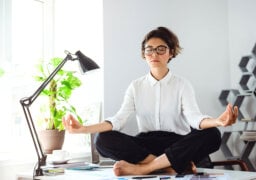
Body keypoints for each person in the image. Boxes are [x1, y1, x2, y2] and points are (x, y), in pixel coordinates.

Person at [63, 26, 238, 176]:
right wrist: (83, 129)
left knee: (213, 134)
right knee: (102, 139)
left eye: (161, 49)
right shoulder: (135, 86)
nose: (154, 54)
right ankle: (165, 167)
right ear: (144, 54)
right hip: (145, 147)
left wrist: (218, 121)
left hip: (176, 144)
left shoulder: (182, 85)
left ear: (170, 53)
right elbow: (118, 120)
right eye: (149, 49)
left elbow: (195, 118)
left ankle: (144, 169)